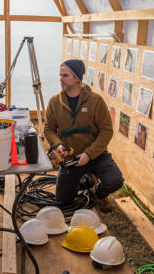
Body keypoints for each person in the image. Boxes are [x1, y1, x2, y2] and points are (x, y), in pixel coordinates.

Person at [44, 59, 124, 212]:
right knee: (63, 202)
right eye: (60, 75)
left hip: (96, 156)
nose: (60, 79)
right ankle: (86, 180)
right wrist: (58, 144)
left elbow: (106, 131)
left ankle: (96, 194)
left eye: (65, 76)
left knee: (115, 181)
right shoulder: (54, 102)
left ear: (77, 78)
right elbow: (48, 129)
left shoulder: (95, 101)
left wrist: (89, 154)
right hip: (71, 160)